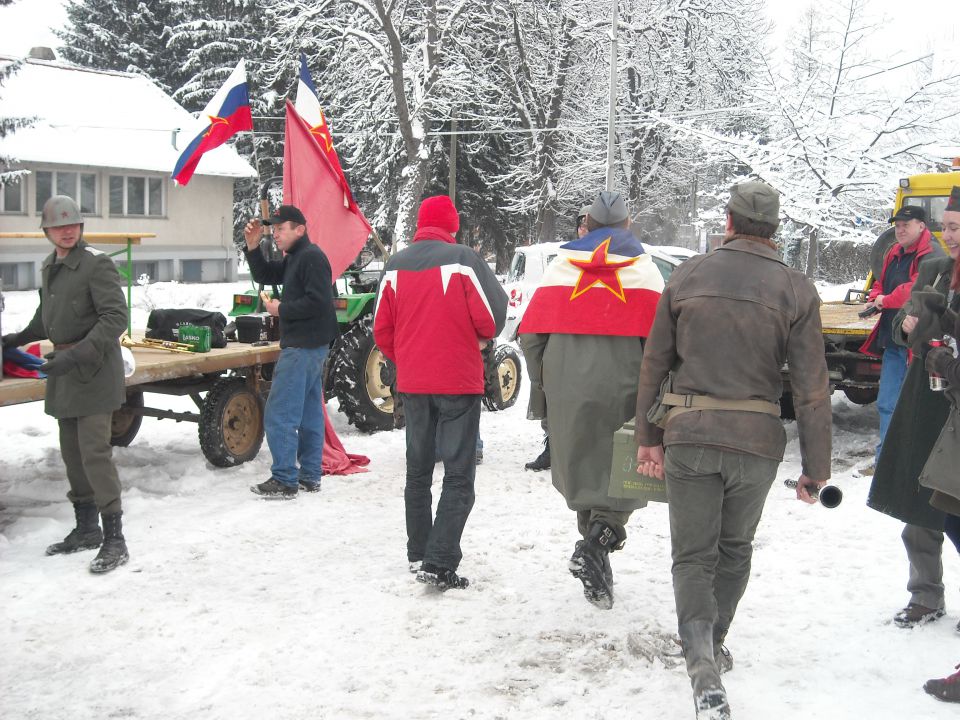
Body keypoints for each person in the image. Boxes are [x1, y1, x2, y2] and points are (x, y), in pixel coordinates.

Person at [634, 181, 831, 719]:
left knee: (692, 556)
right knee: (735, 548)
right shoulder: (797, 288)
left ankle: (700, 664)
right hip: (758, 443)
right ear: (775, 230)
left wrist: (647, 438)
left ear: (728, 221)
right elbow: (813, 388)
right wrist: (817, 469)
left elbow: (654, 363)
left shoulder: (688, 274)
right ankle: (715, 644)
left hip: (690, 436)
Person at [519, 191, 664, 609]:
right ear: (627, 224)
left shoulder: (561, 267)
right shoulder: (645, 270)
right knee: (625, 480)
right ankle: (596, 549)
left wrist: (543, 390)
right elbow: (664, 342)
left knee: (583, 475)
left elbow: (531, 337)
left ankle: (596, 559)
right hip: (627, 387)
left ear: (585, 225)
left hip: (566, 386)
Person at [373, 195, 507, 590]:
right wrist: (473, 341)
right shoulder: (463, 260)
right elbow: (493, 316)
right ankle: (440, 561)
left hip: (413, 386)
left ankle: (419, 552)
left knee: (417, 473)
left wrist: (410, 359)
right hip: (457, 383)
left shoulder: (395, 265)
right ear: (453, 224)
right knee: (458, 475)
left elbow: (381, 330)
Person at [1, 195, 130, 574]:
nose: (67, 230)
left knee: (94, 453)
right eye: (59, 226)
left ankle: (115, 539)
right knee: (72, 453)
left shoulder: (97, 264)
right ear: (47, 231)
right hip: (65, 371)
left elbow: (115, 318)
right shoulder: (50, 266)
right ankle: (87, 528)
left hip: (92, 370)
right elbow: (48, 316)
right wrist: (17, 337)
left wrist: (78, 355)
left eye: (72, 224)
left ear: (81, 227)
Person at [867, 187, 960, 629]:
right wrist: (907, 328)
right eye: (947, 226)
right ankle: (925, 594)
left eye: (956, 228)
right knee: (919, 501)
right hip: (929, 403)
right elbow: (909, 326)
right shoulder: (936, 269)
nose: (949, 235)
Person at [242, 205, 337, 498]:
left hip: (303, 346)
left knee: (280, 412)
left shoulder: (312, 258)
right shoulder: (297, 257)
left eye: (281, 229)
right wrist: (253, 247)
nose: (276, 234)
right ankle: (309, 475)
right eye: (275, 229)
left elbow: (318, 302)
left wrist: (280, 308)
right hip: (310, 345)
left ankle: (284, 479)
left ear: (300, 229)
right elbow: (266, 274)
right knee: (309, 413)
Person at [860, 205, 944, 466]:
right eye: (897, 225)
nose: (900, 229)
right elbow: (880, 282)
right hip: (893, 339)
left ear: (922, 225)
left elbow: (916, 288)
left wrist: (885, 300)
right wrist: (875, 299)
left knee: (915, 407)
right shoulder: (894, 252)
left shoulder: (932, 254)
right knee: (887, 403)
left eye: (906, 224)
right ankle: (885, 461)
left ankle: (913, 463)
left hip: (919, 344)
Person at [524, 203, 592, 473]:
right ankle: (553, 446)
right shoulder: (564, 263)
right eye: (581, 225)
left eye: (589, 225)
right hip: (563, 340)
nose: (583, 230)